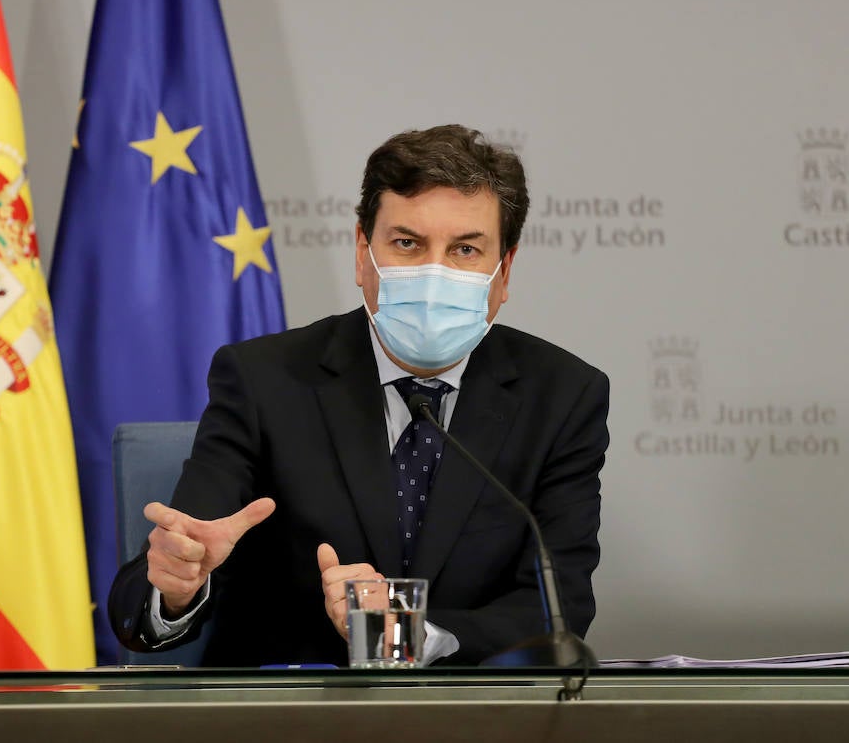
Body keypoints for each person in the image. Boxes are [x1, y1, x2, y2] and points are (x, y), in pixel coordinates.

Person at [108, 125, 610, 666]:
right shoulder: (263, 380)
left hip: (473, 717)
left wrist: (413, 634)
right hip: (293, 721)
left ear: (503, 271)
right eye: (407, 243)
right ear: (361, 254)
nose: (433, 273)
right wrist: (176, 586)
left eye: (465, 249)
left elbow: (560, 605)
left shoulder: (563, 396)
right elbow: (155, 588)